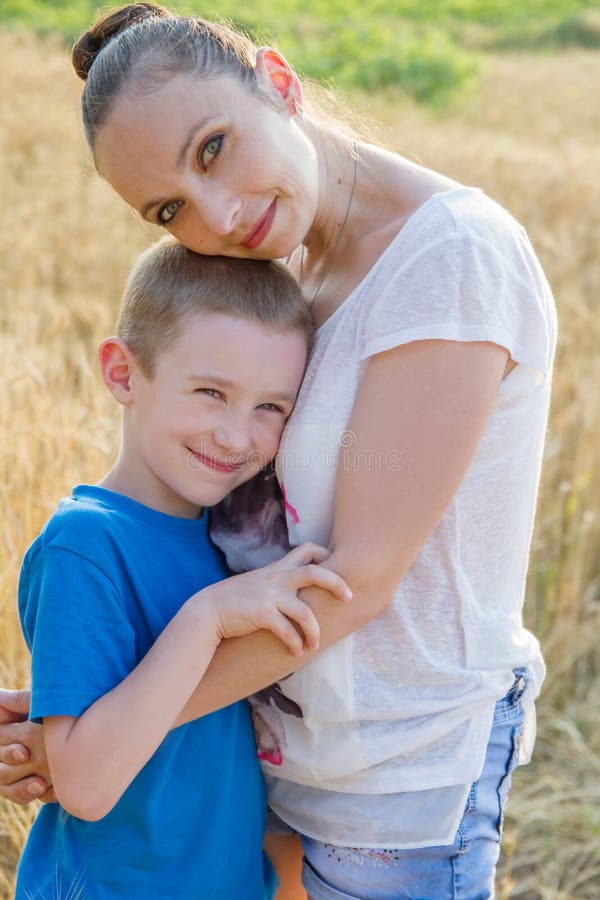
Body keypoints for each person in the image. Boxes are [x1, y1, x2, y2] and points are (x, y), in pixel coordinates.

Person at [0, 4, 558, 898]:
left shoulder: (448, 257)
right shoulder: (288, 275)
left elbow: (357, 581)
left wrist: (96, 743)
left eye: (213, 146)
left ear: (280, 81)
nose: (216, 214)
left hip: (394, 787)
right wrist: (80, 713)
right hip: (278, 779)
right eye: (171, 207)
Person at [11, 237, 354, 900]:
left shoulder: (230, 543)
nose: (236, 436)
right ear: (122, 373)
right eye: (209, 392)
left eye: (270, 408)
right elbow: (83, 784)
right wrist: (206, 618)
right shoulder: (85, 545)